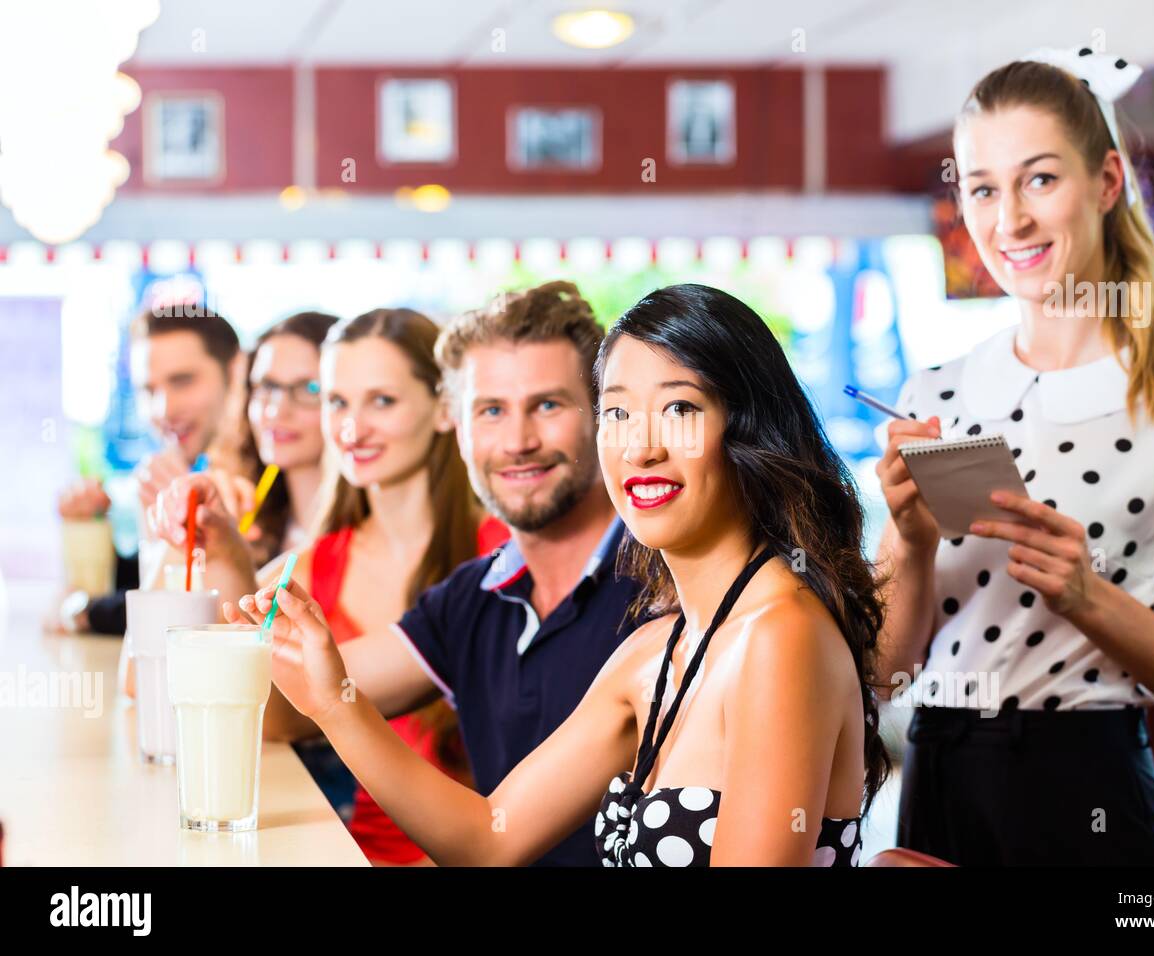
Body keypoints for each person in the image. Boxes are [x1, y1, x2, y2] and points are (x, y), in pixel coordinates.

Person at [234, 283, 888, 866]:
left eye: (680, 410)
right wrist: (333, 701)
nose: (642, 445)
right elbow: (490, 836)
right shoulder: (657, 650)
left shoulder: (779, 635)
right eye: (619, 412)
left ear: (747, 430)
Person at [876, 47, 1154, 866]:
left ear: (1104, 183)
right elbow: (882, 674)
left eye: (1039, 180)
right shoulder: (934, 396)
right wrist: (911, 548)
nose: (1008, 221)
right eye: (983, 188)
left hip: (1091, 796)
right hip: (937, 783)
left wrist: (1090, 598)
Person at [159, 281, 637, 866]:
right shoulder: (476, 595)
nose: (518, 441)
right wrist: (228, 552)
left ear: (602, 417)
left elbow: (490, 841)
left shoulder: (662, 590)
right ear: (459, 425)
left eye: (547, 405)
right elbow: (282, 712)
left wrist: (332, 700)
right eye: (491, 410)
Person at [157, 308, 494, 865]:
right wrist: (216, 545)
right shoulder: (316, 563)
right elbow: (250, 704)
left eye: (381, 401)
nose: (352, 430)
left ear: (442, 408)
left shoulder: (499, 556)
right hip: (346, 851)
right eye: (337, 402)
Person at [52, 307, 247, 635]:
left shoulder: (269, 474)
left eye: (183, 381)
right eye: (149, 390)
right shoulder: (197, 468)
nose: (164, 409)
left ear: (237, 371)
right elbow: (151, 586)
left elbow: (211, 614)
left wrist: (84, 610)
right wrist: (96, 527)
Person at [236, 311, 339, 567]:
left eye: (309, 388)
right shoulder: (247, 526)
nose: (276, 411)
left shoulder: (370, 541)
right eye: (267, 386)